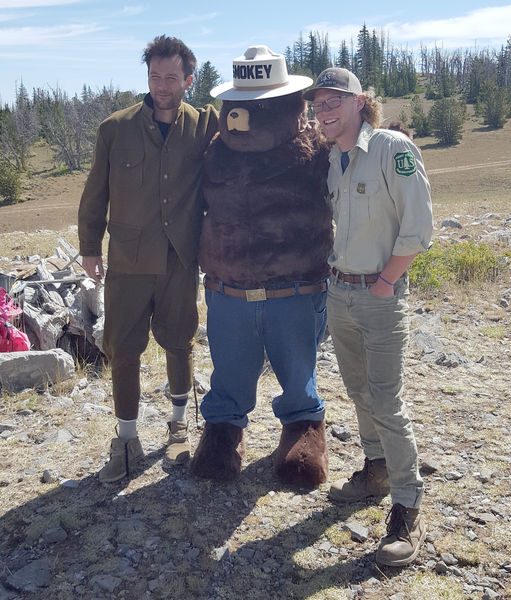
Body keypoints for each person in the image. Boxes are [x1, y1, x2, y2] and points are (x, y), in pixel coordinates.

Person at [303, 68, 433, 566]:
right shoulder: (336, 159)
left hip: (379, 296)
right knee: (358, 392)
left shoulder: (391, 151)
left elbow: (419, 228)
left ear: (360, 102)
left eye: (334, 101)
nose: (325, 111)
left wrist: (385, 282)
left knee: (386, 399)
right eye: (319, 104)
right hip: (341, 293)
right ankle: (376, 468)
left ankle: (407, 506)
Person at [189, 45, 332, 487]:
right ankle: (224, 429)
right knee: (229, 370)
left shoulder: (313, 149)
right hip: (227, 289)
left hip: (296, 289)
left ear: (293, 104)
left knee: (297, 370)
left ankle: (303, 426)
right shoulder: (215, 152)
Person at [78, 36, 218, 483]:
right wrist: (88, 248)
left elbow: (246, 132)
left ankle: (178, 428)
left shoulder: (205, 125)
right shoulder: (114, 128)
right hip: (128, 260)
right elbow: (94, 193)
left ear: (188, 81)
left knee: (179, 340)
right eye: (155, 76)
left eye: (172, 78)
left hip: (180, 258)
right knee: (123, 347)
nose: (162, 85)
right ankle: (126, 439)